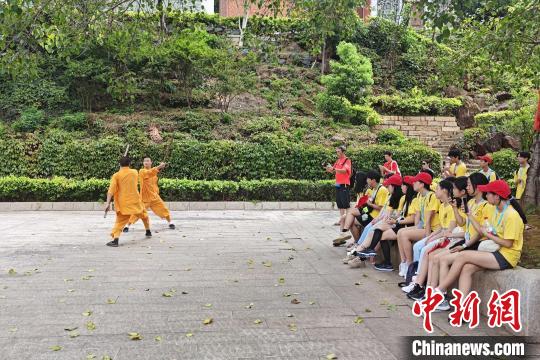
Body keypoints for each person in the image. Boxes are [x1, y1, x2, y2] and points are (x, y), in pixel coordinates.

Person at [433, 180, 524, 311]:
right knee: (467, 268)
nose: (486, 196)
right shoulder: (495, 210)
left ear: (497, 196)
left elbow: (508, 243)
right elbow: (482, 229)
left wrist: (489, 235)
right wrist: (470, 215)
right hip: (496, 250)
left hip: (507, 256)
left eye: (488, 194)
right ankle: (462, 308)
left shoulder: (512, 215)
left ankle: (440, 290)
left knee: (463, 256)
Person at [403, 179, 464, 300]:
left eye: (437, 189)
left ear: (444, 190)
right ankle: (418, 281)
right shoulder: (442, 206)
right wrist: (430, 236)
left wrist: (434, 237)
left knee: (426, 250)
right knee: (420, 246)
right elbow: (442, 227)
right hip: (442, 235)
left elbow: (449, 230)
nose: (435, 191)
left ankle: (422, 284)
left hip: (448, 238)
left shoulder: (452, 207)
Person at [347, 174, 402, 268]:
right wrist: (378, 219)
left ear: (394, 186)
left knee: (375, 230)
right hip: (386, 222)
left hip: (395, 224)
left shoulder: (401, 198)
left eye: (388, 185)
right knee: (373, 229)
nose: (387, 187)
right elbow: (385, 212)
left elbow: (397, 215)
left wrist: (382, 220)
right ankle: (359, 254)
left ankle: (360, 254)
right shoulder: (391, 196)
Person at [396, 172, 440, 277]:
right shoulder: (420, 196)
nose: (413, 184)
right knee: (400, 232)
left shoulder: (432, 196)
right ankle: (404, 263)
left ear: (422, 184)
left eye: (415, 182)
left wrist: (428, 237)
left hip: (433, 229)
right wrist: (414, 228)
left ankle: (410, 266)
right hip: (423, 227)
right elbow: (418, 219)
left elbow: (428, 219)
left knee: (404, 234)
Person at [104, 156, 151, 247]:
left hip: (123, 204)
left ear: (119, 164)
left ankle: (115, 240)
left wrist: (107, 203)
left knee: (120, 222)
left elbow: (111, 190)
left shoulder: (116, 175)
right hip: (135, 202)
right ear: (129, 164)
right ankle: (148, 230)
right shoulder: (134, 172)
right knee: (144, 215)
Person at [337, 170, 388, 247]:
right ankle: (355, 241)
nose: (366, 180)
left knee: (350, 218)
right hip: (368, 212)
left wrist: (369, 203)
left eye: (368, 179)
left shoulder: (382, 190)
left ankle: (353, 240)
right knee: (350, 216)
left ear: (373, 180)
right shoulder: (373, 189)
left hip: (374, 216)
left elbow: (381, 208)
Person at [124, 157, 175, 232]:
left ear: (151, 162)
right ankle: (127, 226)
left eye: (147, 161)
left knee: (164, 209)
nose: (146, 162)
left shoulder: (154, 173)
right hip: (144, 199)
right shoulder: (142, 171)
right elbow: (149, 173)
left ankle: (170, 222)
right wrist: (159, 167)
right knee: (137, 212)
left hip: (154, 197)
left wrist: (156, 192)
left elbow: (154, 183)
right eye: (144, 161)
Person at [326, 146, 352, 232]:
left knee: (346, 205)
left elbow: (345, 170)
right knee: (340, 204)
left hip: (344, 184)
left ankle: (347, 223)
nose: (337, 153)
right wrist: (329, 168)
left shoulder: (346, 160)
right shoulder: (338, 161)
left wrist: (334, 169)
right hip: (338, 184)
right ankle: (342, 222)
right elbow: (333, 171)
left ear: (343, 152)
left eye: (338, 151)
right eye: (336, 151)